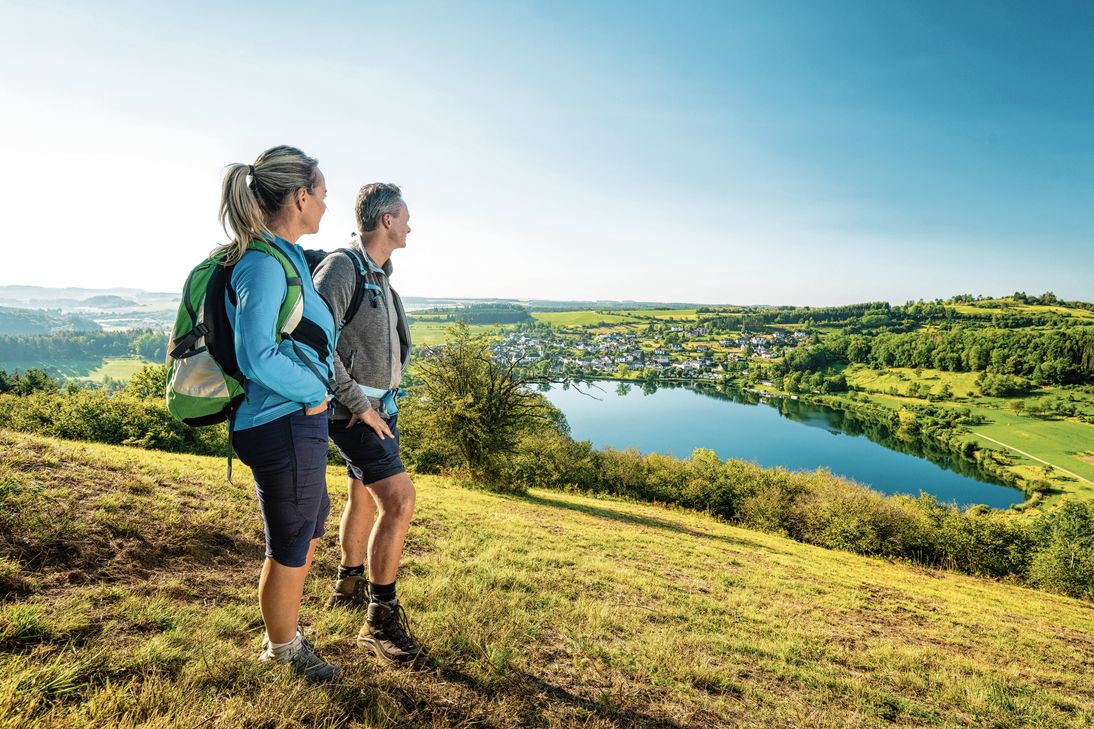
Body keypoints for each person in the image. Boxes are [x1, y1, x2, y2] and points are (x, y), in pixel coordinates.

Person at [218, 145, 340, 682]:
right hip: (281, 419)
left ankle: (285, 630)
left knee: (310, 523)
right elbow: (256, 354)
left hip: (294, 419)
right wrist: (315, 392)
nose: (325, 206)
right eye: (322, 195)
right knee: (290, 540)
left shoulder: (286, 256)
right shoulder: (262, 264)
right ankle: (282, 651)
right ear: (299, 196)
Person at [312, 183, 420, 664]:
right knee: (399, 500)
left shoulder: (380, 276)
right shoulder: (342, 267)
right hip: (356, 413)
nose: (410, 225)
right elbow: (316, 341)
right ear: (385, 222)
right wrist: (359, 403)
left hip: (380, 410)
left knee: (363, 496)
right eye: (405, 217)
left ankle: (349, 582)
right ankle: (379, 619)